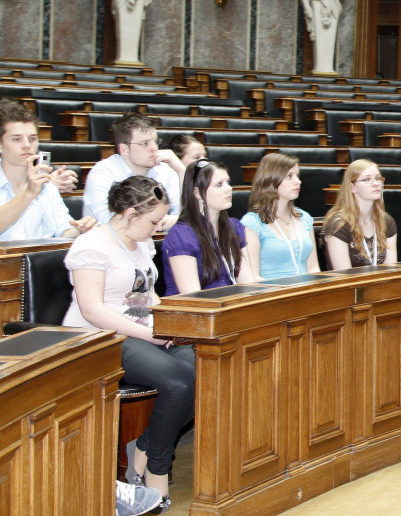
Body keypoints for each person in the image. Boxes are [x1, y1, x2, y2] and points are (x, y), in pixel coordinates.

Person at [63, 176, 193, 514]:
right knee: (177, 383)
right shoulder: (91, 245)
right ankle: (156, 469)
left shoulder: (141, 242)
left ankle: (144, 448)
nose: (156, 228)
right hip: (102, 337)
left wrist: (171, 325)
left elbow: (148, 295)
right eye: (153, 221)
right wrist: (151, 334)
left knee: (206, 369)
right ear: (131, 214)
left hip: (144, 329)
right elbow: (93, 310)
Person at [162, 159, 260, 295]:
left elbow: (247, 282)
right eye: (219, 184)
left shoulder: (233, 226)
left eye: (228, 182)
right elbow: (193, 296)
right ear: (197, 193)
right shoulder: (181, 235)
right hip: (196, 311)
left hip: (229, 305)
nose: (229, 188)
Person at [0, 100, 96, 240]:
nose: (27, 145)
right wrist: (29, 193)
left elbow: (63, 230)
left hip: (41, 259)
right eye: (16, 139)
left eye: (32, 138)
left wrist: (81, 228)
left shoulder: (46, 185)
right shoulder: (40, 185)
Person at [83, 112, 183, 230]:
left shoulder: (165, 170)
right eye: (144, 143)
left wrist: (182, 171)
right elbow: (109, 222)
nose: (154, 148)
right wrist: (161, 221)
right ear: (124, 149)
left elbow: (186, 216)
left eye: (155, 141)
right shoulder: (103, 172)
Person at [241, 153, 320, 279]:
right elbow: (253, 278)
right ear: (270, 180)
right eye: (289, 176)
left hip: (306, 292)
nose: (298, 181)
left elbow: (313, 268)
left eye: (297, 176)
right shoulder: (252, 222)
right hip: (273, 295)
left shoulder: (305, 218)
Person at [321, 159, 397, 269]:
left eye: (378, 178)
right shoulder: (338, 225)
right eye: (367, 179)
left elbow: (391, 270)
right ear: (352, 187)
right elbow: (345, 277)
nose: (376, 184)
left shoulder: (387, 221)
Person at [300, 0, 346, 75]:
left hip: (333, 1)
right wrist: (307, 7)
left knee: (330, 35)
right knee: (319, 34)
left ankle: (328, 69)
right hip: (317, 0)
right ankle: (320, 68)